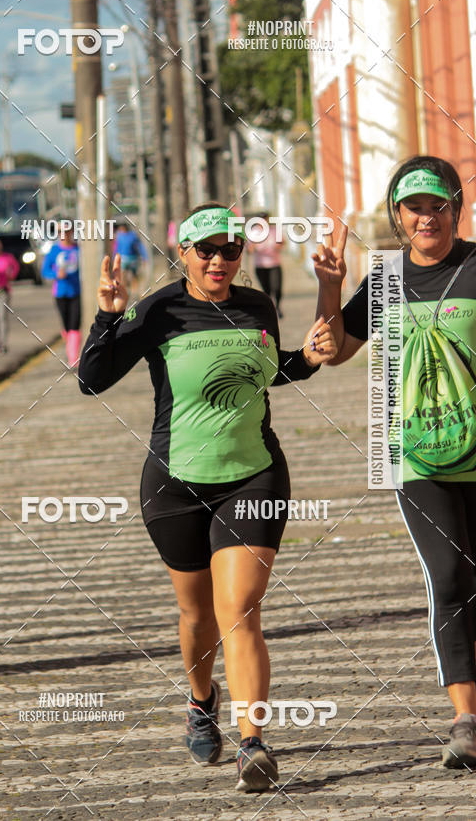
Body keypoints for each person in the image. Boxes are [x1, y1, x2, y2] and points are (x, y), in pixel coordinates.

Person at [78, 204, 337, 791]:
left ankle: (253, 745)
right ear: (184, 253)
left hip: (254, 473)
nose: (219, 261)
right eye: (206, 250)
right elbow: (91, 379)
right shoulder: (159, 309)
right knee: (197, 615)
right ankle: (201, 700)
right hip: (176, 480)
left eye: (231, 250)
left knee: (240, 609)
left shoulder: (256, 306)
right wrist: (106, 316)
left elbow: (272, 373)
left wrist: (309, 360)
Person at [315, 155, 476, 769]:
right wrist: (332, 287)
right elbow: (335, 351)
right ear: (397, 217)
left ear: (455, 209)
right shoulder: (383, 280)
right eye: (414, 207)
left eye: (438, 205)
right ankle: (466, 718)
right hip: (413, 456)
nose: (426, 217)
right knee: (451, 576)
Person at [42, 228, 81, 367]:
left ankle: (73, 358)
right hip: (60, 293)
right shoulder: (54, 250)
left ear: (71, 232)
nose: (64, 234)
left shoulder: (78, 249)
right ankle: (69, 345)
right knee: (66, 325)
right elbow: (45, 271)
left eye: (67, 231)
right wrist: (56, 274)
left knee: (74, 324)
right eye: (60, 232)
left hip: (77, 292)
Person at [249, 210, 284, 316]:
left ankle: (277, 306)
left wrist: (278, 246)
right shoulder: (253, 232)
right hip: (260, 265)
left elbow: (282, 242)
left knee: (277, 288)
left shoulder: (274, 230)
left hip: (274, 264)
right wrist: (255, 246)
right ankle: (270, 309)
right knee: (266, 290)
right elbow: (249, 249)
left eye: (266, 219)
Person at [112, 221, 149, 295]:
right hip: (123, 259)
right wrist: (114, 258)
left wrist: (145, 257)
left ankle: (134, 292)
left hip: (133, 259)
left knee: (134, 276)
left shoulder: (132, 236)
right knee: (122, 276)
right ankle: (124, 291)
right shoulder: (119, 236)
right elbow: (116, 248)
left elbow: (140, 247)